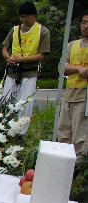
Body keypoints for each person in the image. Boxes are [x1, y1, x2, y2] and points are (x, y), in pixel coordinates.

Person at [2, 1, 50, 133]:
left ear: (33, 15)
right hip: (13, 71)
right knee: (6, 100)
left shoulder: (43, 31)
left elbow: (41, 55)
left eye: (26, 16)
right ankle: (4, 129)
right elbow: (5, 49)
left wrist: (22, 59)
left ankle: (21, 133)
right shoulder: (15, 30)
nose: (23, 20)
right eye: (21, 17)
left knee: (25, 103)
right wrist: (9, 58)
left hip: (29, 72)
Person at [58, 9, 88, 164]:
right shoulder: (72, 45)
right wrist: (78, 69)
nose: (85, 26)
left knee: (80, 138)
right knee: (63, 133)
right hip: (69, 94)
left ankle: (78, 170)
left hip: (84, 98)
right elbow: (62, 67)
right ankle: (63, 166)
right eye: (83, 22)